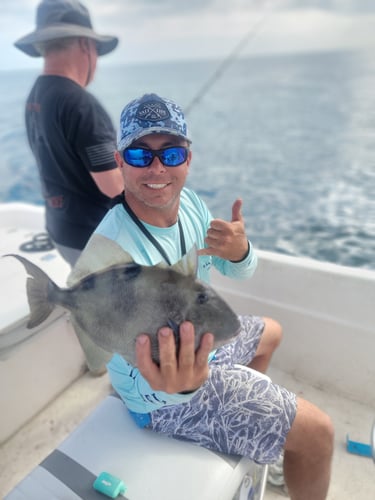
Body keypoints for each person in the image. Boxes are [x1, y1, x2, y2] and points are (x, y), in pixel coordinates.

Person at [69, 93, 334, 499]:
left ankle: (251, 431)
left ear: (188, 159)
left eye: (171, 154)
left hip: (199, 348)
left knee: (273, 332)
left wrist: (241, 253)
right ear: (119, 163)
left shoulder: (190, 204)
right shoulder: (108, 256)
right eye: (140, 156)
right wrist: (182, 388)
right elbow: (130, 365)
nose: (157, 168)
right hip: (158, 396)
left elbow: (237, 269)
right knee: (318, 434)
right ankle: (257, 427)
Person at [14, 0, 124, 266]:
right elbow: (115, 188)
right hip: (94, 239)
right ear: (86, 46)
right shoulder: (82, 104)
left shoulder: (36, 95)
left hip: (61, 231)